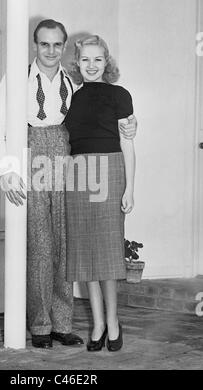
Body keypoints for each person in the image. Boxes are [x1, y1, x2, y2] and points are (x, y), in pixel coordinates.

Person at [0, 20, 137, 349]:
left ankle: (62, 323)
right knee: (40, 245)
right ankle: (40, 326)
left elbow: (100, 119)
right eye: (44, 44)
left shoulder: (73, 82)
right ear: (35, 45)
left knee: (66, 244)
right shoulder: (18, 78)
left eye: (57, 45)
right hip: (33, 153)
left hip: (69, 158)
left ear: (65, 47)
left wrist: (129, 125)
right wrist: (7, 170)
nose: (51, 51)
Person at [64, 35, 136, 352]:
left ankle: (114, 322)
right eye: (85, 60)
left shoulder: (120, 95)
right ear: (77, 64)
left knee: (106, 252)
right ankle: (97, 324)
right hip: (78, 173)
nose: (91, 65)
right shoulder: (70, 96)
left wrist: (130, 188)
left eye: (97, 59)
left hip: (111, 170)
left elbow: (128, 143)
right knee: (84, 253)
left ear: (106, 62)